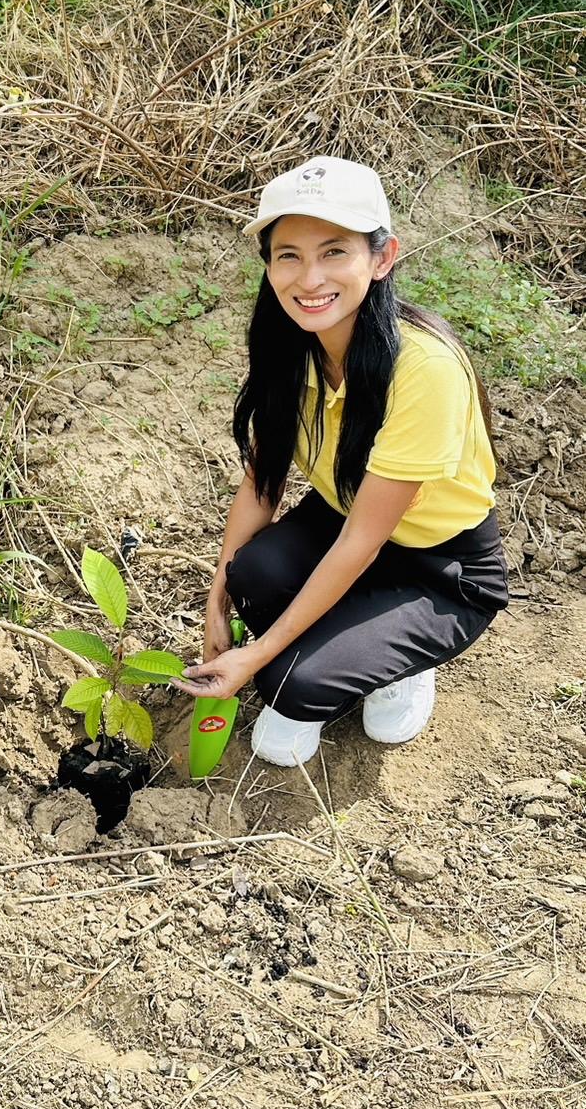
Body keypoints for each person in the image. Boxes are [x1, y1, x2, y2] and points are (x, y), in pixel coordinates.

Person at [180, 156, 508, 767]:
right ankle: (348, 641)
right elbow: (262, 483)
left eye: (334, 252)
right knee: (251, 572)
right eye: (288, 255)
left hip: (441, 570)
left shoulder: (424, 370)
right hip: (342, 521)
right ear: (269, 266)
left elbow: (362, 543)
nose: (309, 279)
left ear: (381, 259)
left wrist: (256, 658)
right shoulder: (291, 348)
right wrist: (216, 600)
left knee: (288, 684)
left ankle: (399, 664)